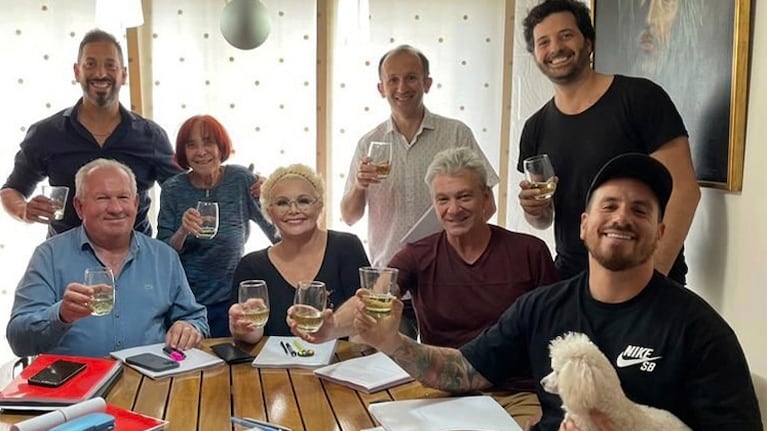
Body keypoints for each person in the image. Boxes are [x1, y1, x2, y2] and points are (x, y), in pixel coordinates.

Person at [353, 153, 763, 431]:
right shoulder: (542, 308)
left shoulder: (700, 331)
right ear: (584, 225)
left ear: (659, 233)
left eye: (640, 209)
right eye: (609, 205)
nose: (622, 216)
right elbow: (463, 371)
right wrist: (393, 342)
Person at [292, 147, 558, 426]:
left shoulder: (529, 252)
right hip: (442, 389)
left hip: (514, 394)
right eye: (443, 199)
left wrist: (552, 408)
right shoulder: (417, 254)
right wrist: (330, 328)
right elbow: (373, 299)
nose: (453, 209)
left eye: (464, 196)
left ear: (485, 198)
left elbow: (559, 336)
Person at [516, 0, 700, 284]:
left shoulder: (641, 98)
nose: (555, 48)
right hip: (571, 280)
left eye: (566, 35)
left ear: (588, 42)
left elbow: (685, 191)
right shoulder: (534, 127)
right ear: (536, 54)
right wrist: (535, 210)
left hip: (646, 278)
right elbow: (544, 220)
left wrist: (651, 279)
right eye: (544, 42)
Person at [341, 44, 500, 337]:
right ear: (381, 88)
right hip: (389, 280)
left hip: (447, 278)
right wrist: (360, 185)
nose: (402, 87)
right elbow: (349, 216)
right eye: (393, 80)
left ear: (427, 83)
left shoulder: (455, 133)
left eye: (412, 78)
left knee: (446, 366)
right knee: (384, 369)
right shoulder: (369, 143)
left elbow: (487, 206)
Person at [6, 159, 209, 358]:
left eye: (123, 197)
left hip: (151, 383)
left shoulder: (164, 257)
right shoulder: (49, 256)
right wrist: (61, 315)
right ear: (79, 207)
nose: (116, 208)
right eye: (102, 198)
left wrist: (189, 327)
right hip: (77, 387)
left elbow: (195, 317)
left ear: (136, 204)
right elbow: (18, 340)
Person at [1, 29, 180, 238]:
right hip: (64, 262)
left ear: (123, 74)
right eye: (90, 64)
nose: (101, 73)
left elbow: (182, 192)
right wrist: (23, 211)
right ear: (77, 72)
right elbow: (11, 190)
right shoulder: (46, 133)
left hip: (135, 262)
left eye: (110, 65)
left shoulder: (152, 136)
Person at [157, 115, 278, 338]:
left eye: (208, 142)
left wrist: (272, 194)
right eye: (191, 145)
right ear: (184, 152)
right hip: (185, 305)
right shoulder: (173, 189)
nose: (201, 151)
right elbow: (162, 254)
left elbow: (276, 233)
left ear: (220, 146)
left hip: (230, 303)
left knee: (234, 367)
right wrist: (182, 231)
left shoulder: (240, 179)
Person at [228, 163, 369, 343]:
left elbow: (366, 321)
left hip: (339, 367)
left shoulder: (346, 247)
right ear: (269, 212)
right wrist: (241, 328)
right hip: (273, 370)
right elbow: (252, 336)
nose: (293, 210)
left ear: (319, 206)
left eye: (303, 201)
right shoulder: (251, 265)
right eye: (282, 203)